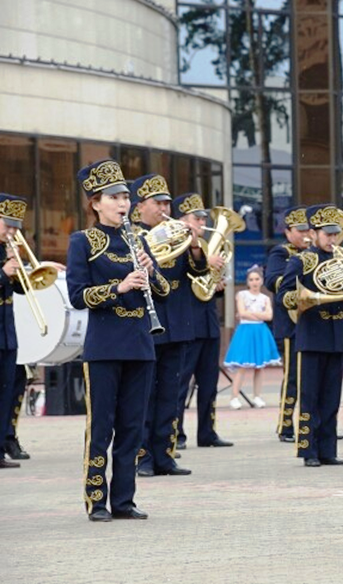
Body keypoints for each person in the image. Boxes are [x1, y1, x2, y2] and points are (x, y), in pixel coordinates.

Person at [66, 159, 171, 519]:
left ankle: (124, 501)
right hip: (105, 346)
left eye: (125, 196)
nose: (123, 203)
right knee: (101, 427)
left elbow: (165, 291)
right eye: (114, 197)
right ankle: (96, 500)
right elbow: (78, 296)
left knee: (131, 427)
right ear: (95, 202)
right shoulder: (83, 241)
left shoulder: (139, 239)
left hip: (141, 344)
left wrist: (151, 271)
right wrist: (120, 286)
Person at [278, 204, 343, 467]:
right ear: (313, 234)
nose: (333, 239)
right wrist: (311, 296)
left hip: (337, 335)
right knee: (310, 395)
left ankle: (328, 450)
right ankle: (308, 450)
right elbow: (284, 297)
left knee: (331, 396)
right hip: (311, 335)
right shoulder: (301, 260)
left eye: (335, 234)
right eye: (327, 234)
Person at [132, 174, 206, 478]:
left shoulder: (176, 231)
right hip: (149, 322)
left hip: (178, 320)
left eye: (166, 202)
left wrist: (195, 244)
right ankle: (143, 456)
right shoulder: (133, 235)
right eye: (158, 202)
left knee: (172, 393)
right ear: (141, 206)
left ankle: (165, 454)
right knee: (146, 393)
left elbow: (197, 270)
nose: (165, 208)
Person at [173, 194, 233, 449]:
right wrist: (204, 263)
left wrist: (217, 283)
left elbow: (207, 286)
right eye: (196, 218)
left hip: (208, 321)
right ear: (182, 220)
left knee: (209, 382)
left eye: (202, 218)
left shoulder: (206, 245)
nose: (202, 222)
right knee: (179, 383)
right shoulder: (175, 245)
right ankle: (176, 433)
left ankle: (207, 432)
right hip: (186, 322)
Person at [265, 206, 311, 443]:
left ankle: (313, 423)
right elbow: (273, 280)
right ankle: (285, 425)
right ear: (288, 231)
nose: (306, 234)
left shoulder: (316, 252)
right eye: (300, 230)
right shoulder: (280, 253)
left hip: (312, 323)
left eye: (308, 229)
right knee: (293, 376)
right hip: (289, 323)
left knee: (312, 378)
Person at [224, 265, 280, 408]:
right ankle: (234, 397)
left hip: (260, 331)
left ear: (261, 280)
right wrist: (256, 315)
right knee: (242, 365)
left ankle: (257, 396)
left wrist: (251, 314)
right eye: (251, 279)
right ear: (247, 281)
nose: (254, 282)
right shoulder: (242, 295)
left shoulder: (265, 298)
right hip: (246, 331)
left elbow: (269, 316)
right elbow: (242, 313)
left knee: (259, 366)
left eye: (257, 279)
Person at [0, 193, 26, 469]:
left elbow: (22, 289)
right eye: (7, 225)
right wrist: (3, 272)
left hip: (7, 333)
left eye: (15, 226)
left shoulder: (8, 250)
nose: (12, 232)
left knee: (6, 392)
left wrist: (18, 270)